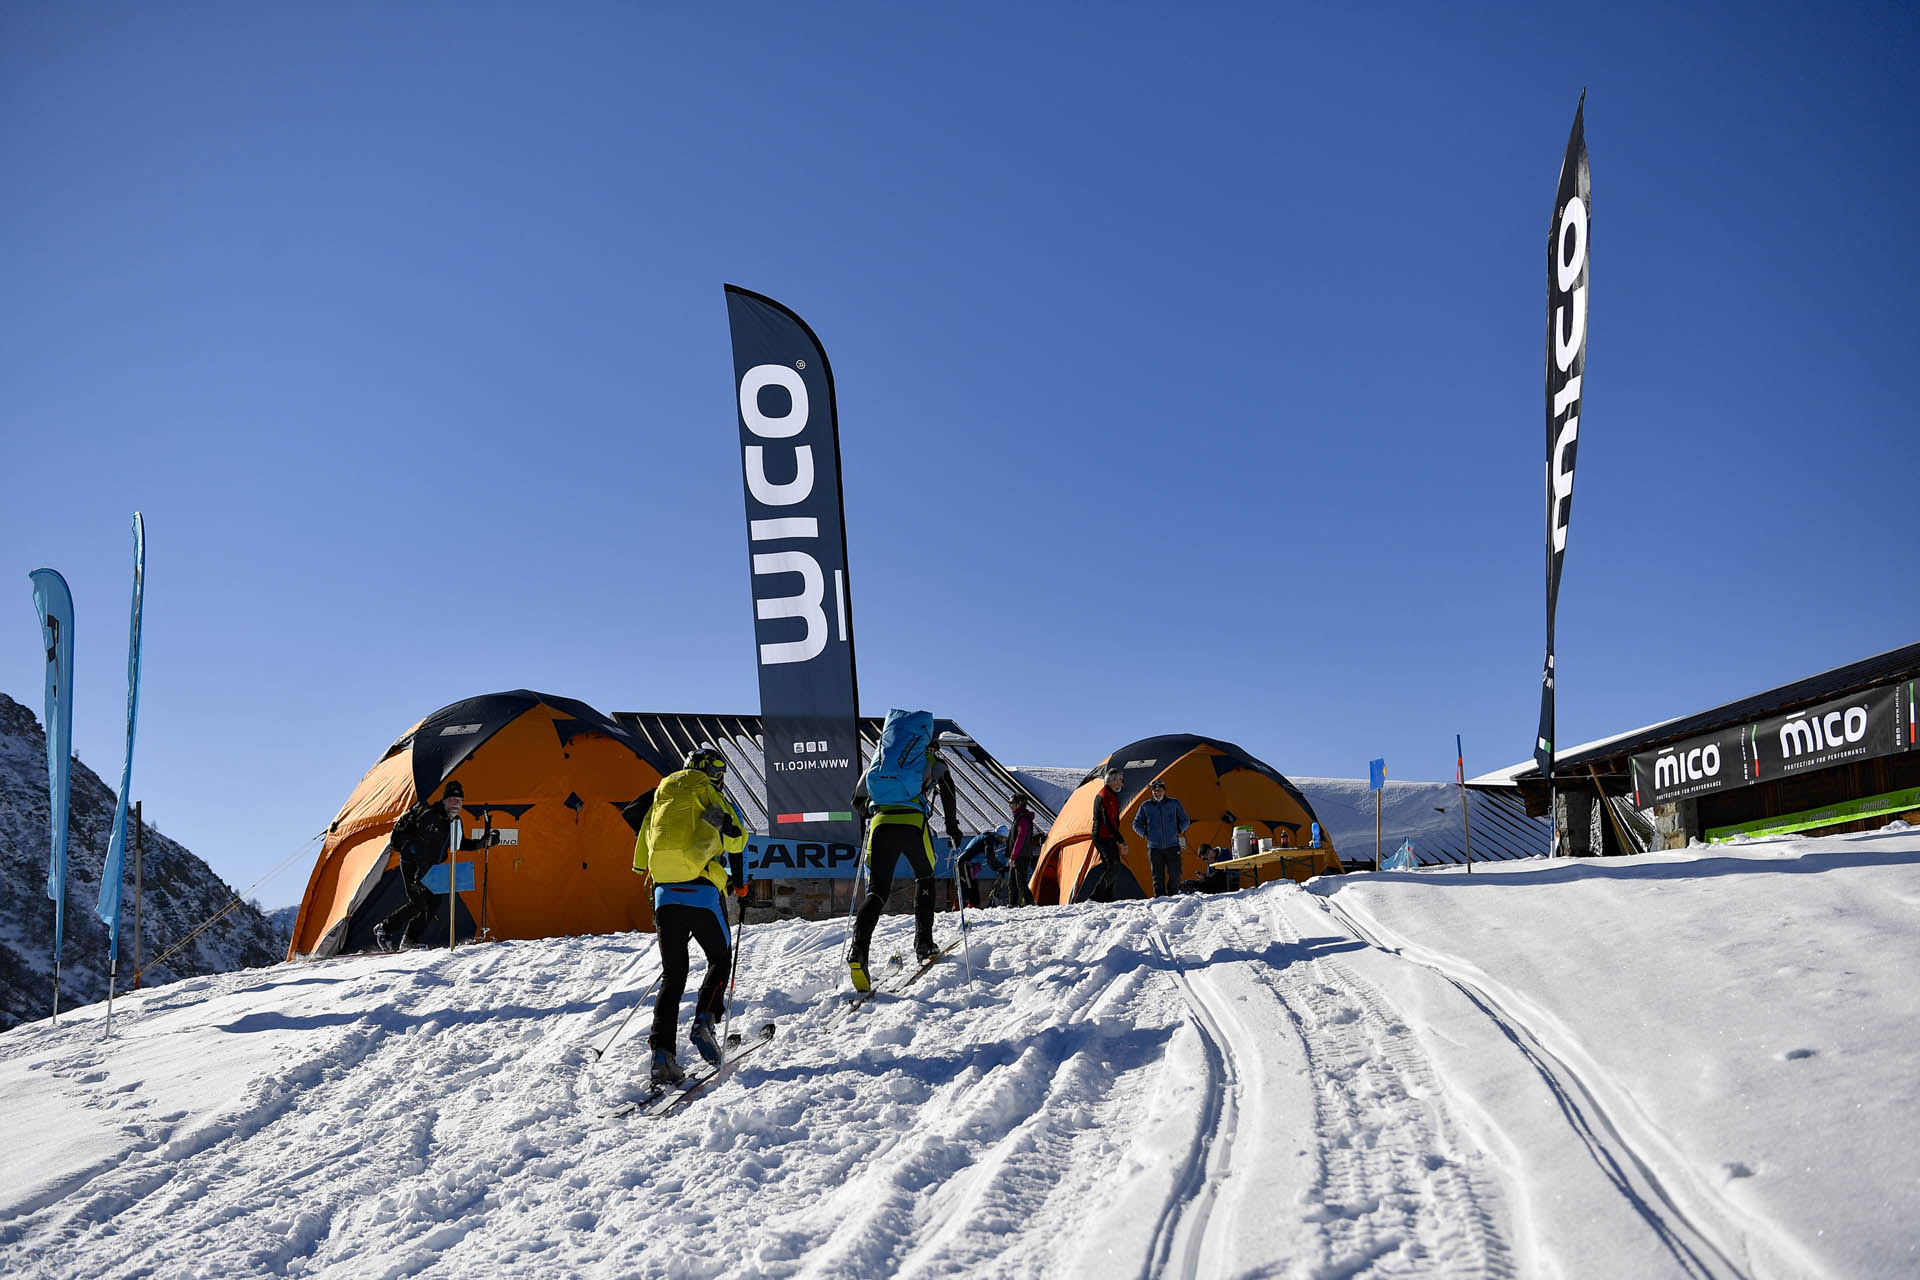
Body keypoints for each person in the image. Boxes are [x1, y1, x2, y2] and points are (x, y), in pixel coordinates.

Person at [633, 747, 749, 1087]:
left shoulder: (662, 793)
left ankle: (662, 1055)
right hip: (701, 891)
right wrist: (739, 884)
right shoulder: (709, 792)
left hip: (664, 893)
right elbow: (737, 842)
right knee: (719, 958)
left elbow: (643, 844)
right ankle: (704, 1020)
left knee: (673, 976)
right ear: (716, 774)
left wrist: (646, 869)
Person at [848, 735, 961, 989]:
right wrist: (952, 827)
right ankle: (924, 943)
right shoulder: (932, 760)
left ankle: (858, 951)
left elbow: (857, 801)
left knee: (876, 891)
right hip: (913, 823)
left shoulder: (881, 763)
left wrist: (876, 808)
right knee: (925, 877)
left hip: (880, 824)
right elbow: (948, 791)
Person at [377, 780, 498, 951]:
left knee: (433, 903)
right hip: (413, 864)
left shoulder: (455, 821)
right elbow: (421, 848)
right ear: (444, 800)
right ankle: (385, 928)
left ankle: (410, 939)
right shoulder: (431, 816)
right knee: (418, 902)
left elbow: (459, 844)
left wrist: (482, 843)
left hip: (431, 867)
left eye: (459, 801)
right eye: (452, 800)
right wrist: (419, 876)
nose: (456, 804)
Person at [1075, 765, 1142, 903]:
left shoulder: (1109, 795)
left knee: (1113, 866)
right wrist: (1121, 840)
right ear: (1113, 781)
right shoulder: (1106, 796)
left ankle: (1107, 897)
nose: (1122, 783)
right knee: (1113, 866)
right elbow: (1108, 822)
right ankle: (1095, 896)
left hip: (1105, 835)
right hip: (1103, 836)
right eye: (1121, 780)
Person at [1132, 777, 1192, 896]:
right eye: (1154, 790)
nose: (1157, 792)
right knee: (1157, 877)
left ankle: (1173, 896)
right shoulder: (1146, 806)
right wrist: (1145, 834)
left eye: (1159, 790)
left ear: (1164, 791)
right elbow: (1136, 824)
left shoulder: (1174, 803)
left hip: (1173, 845)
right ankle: (1160, 899)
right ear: (1152, 792)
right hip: (1154, 847)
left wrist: (1179, 829)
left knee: (1175, 874)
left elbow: (1185, 820)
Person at [1006, 793, 1038, 906]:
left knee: (1021, 883)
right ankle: (1012, 904)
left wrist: (1013, 856)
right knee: (1011, 883)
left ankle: (1031, 904)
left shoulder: (1023, 819)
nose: (1010, 806)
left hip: (1021, 856)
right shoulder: (1018, 818)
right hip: (1017, 855)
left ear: (1019, 803)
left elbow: (1020, 838)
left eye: (1012, 803)